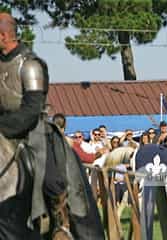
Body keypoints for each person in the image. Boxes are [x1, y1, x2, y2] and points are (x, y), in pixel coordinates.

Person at [0, 13, 104, 239]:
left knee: (51, 177)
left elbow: (32, 109)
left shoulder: (29, 65)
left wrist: (3, 128)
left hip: (32, 130)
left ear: (3, 35)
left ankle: (60, 219)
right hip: (3, 130)